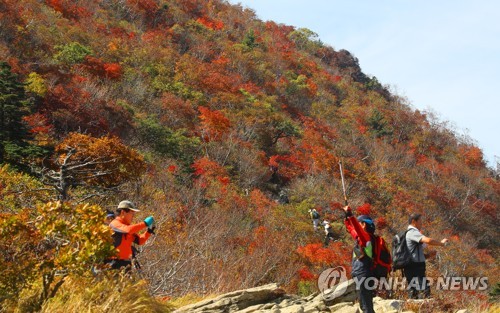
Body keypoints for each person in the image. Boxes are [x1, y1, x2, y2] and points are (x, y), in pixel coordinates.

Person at [404, 213, 448, 299]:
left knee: (414, 291)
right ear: (414, 221)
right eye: (420, 221)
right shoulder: (412, 232)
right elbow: (428, 240)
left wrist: (428, 255)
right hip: (415, 266)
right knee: (424, 290)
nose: (421, 224)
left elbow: (414, 253)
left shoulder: (409, 233)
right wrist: (441, 243)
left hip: (411, 265)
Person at [343, 206, 376, 313]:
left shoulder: (366, 238)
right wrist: (347, 216)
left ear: (364, 224)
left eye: (359, 223)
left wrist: (351, 215)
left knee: (366, 305)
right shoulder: (360, 238)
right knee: (364, 303)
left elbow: (356, 228)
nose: (357, 225)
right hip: (361, 274)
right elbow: (350, 228)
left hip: (363, 274)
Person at [107, 200, 155, 270]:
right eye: (131, 213)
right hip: (113, 264)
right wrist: (145, 223)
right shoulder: (114, 223)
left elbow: (140, 241)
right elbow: (128, 230)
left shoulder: (127, 227)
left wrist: (149, 231)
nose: (133, 216)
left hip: (126, 264)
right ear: (123, 212)